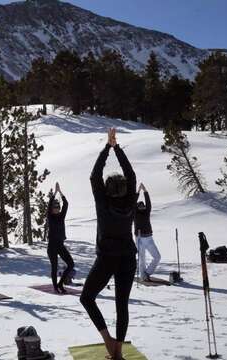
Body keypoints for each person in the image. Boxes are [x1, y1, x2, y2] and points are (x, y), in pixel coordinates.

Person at [80, 128, 137, 360]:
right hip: (127, 259)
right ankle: (118, 352)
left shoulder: (103, 203)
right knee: (121, 305)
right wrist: (117, 149)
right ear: (124, 189)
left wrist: (108, 147)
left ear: (107, 189)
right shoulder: (130, 200)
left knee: (87, 298)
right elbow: (131, 175)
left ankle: (108, 341)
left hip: (106, 259)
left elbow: (94, 175)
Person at [46, 182, 74, 293]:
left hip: (60, 245)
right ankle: (55, 287)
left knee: (71, 264)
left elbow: (66, 204)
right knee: (54, 267)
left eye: (58, 207)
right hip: (52, 247)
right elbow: (49, 206)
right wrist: (54, 193)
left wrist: (60, 192)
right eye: (55, 207)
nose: (56, 209)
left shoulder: (61, 217)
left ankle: (60, 284)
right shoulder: (50, 217)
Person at [134, 183, 160, 282]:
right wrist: (137, 192)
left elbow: (148, 203)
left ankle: (147, 273)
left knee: (157, 257)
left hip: (149, 238)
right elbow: (133, 203)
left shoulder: (147, 212)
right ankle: (143, 276)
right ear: (137, 207)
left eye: (143, 205)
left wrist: (145, 191)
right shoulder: (135, 213)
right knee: (142, 259)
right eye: (140, 206)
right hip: (139, 238)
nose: (142, 207)